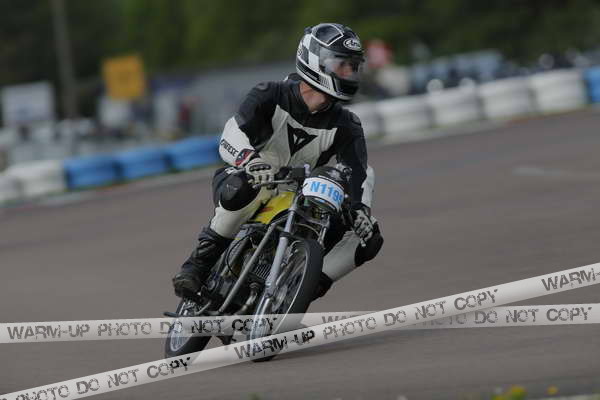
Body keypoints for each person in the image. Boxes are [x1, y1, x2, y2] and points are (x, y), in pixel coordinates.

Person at [172, 23, 384, 302]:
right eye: (341, 65)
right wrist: (250, 160)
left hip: (298, 195)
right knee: (244, 187)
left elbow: (359, 171)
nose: (349, 73)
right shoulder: (270, 94)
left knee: (369, 237)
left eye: (353, 67)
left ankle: (300, 290)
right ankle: (196, 267)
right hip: (248, 177)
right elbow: (232, 132)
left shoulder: (348, 124)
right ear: (314, 61)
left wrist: (359, 209)